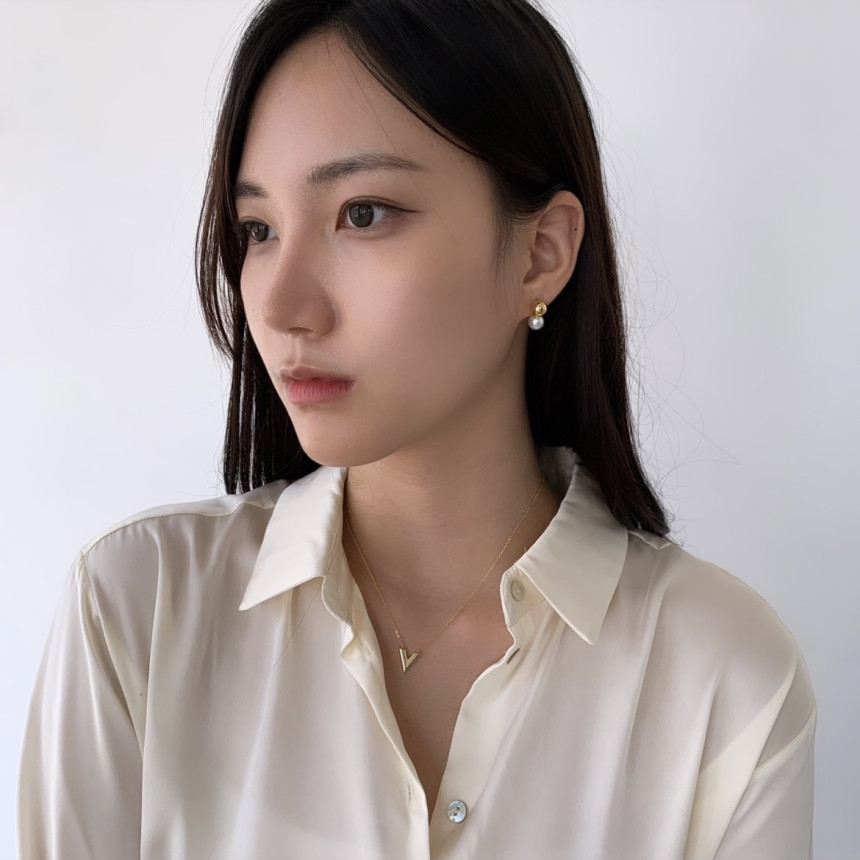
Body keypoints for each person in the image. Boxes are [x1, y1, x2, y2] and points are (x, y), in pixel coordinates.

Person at [17, 0, 816, 858]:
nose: (281, 305)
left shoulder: (722, 679)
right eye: (259, 229)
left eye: (363, 213)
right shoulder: (138, 614)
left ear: (541, 252)